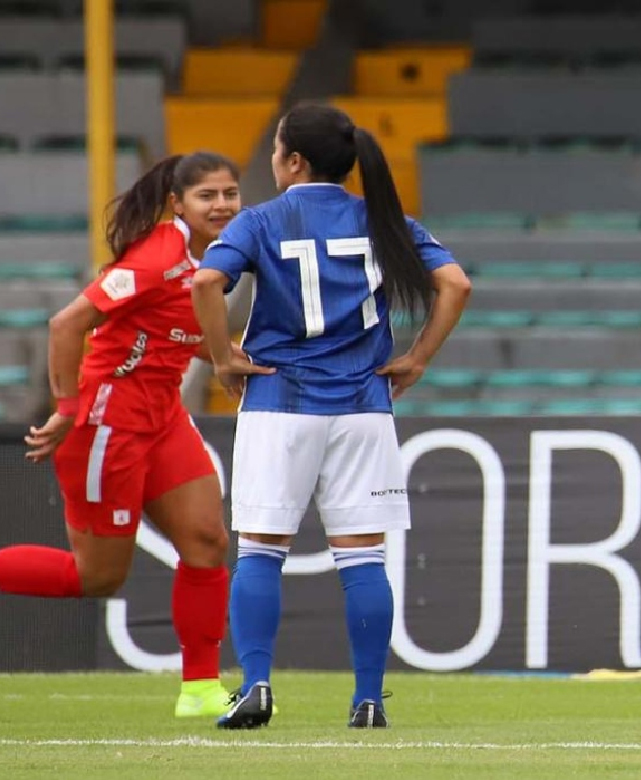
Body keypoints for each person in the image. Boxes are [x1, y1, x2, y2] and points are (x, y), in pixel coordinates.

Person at [0, 152, 260, 719]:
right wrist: (67, 406)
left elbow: (173, 330)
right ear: (178, 203)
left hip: (162, 418)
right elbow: (66, 323)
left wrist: (227, 359)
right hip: (109, 425)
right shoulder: (159, 255)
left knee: (207, 541)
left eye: (230, 193)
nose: (222, 205)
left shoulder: (217, 257)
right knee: (98, 577)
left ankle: (200, 688)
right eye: (207, 196)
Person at [192, 103, 471, 730]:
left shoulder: (262, 219)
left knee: (261, 552)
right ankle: (368, 699)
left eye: (275, 151)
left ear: (293, 160)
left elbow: (206, 283)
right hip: (364, 407)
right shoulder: (383, 220)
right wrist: (418, 358)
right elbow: (456, 284)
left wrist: (221, 358)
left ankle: (257, 685)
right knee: (363, 559)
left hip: (280, 401)